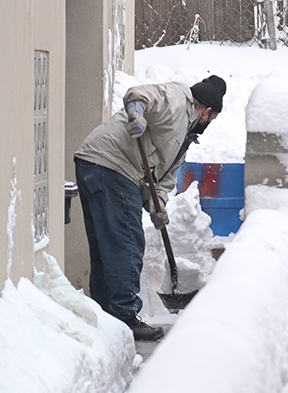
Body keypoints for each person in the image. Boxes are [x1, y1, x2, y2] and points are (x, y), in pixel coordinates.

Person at [73, 75, 226, 342]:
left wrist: (158, 205)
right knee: (127, 241)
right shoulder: (178, 99)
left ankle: (106, 312)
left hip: (94, 164)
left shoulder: (184, 135)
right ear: (208, 111)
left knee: (105, 245)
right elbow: (139, 94)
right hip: (112, 165)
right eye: (211, 119)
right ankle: (124, 314)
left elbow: (165, 178)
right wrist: (137, 113)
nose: (209, 124)